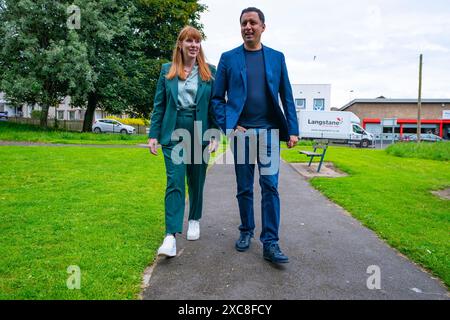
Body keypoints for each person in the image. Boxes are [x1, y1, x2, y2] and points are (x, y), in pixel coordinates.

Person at [211, 7, 299, 263]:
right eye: (243, 23)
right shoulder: (228, 58)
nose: (247, 27)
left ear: (263, 26)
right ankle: (246, 230)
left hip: (270, 133)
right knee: (244, 187)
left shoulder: (276, 57)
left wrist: (292, 129)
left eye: (252, 22)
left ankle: (270, 242)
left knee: (270, 186)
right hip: (242, 134)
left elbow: (287, 96)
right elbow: (218, 98)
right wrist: (231, 124)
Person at [148, 26, 217, 257]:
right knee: (175, 181)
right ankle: (170, 236)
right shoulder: (167, 70)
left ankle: (194, 219)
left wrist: (215, 134)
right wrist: (153, 134)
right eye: (189, 41)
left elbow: (214, 107)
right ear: (181, 44)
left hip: (200, 131)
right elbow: (159, 105)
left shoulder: (210, 72)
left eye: (197, 41)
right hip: (173, 131)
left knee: (196, 179)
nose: (194, 45)